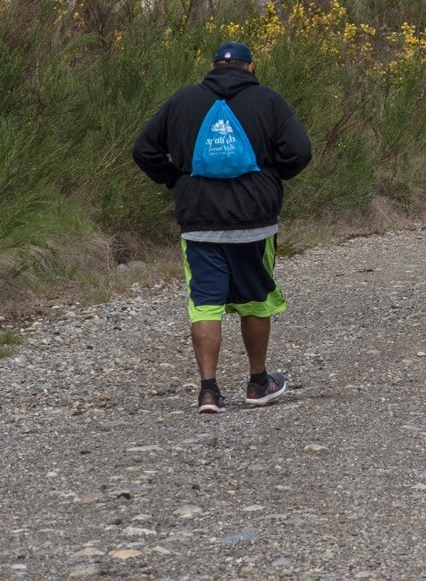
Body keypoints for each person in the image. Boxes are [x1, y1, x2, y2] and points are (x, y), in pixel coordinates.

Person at [132, 41, 312, 414]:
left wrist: (177, 179)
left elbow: (143, 150)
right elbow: (300, 151)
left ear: (211, 67)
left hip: (199, 222)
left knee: (205, 305)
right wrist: (270, 179)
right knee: (256, 302)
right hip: (254, 222)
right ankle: (258, 382)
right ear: (250, 67)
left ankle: (209, 391)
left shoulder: (182, 101)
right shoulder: (268, 101)